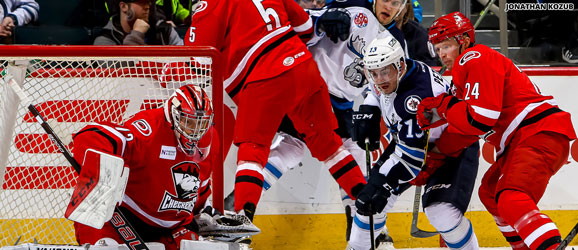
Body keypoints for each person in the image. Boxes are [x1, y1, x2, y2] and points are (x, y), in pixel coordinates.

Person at [185, 0, 367, 228]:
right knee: (329, 144)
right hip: (304, 68)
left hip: (263, 78)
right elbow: (306, 29)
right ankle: (363, 199)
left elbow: (197, 56)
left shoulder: (212, 5)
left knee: (253, 147)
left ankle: (242, 215)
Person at [419, 12, 577, 250]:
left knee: (511, 196)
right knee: (491, 192)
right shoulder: (468, 73)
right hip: (527, 138)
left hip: (537, 133)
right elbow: (466, 130)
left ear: (463, 41)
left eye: (446, 46)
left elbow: (480, 120)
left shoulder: (474, 57)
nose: (442, 54)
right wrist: (436, 154)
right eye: (437, 48)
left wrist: (444, 105)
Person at [346, 35, 480, 250]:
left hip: (451, 149)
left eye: (385, 72)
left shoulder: (417, 97)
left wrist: (380, 182)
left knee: (441, 212)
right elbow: (374, 87)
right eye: (374, 73)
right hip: (411, 143)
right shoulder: (390, 68)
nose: (379, 79)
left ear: (399, 65)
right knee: (370, 204)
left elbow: (411, 160)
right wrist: (369, 108)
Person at [65, 85, 230, 250]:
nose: (195, 131)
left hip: (172, 229)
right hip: (125, 219)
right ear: (174, 115)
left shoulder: (211, 138)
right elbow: (91, 136)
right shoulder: (149, 128)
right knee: (106, 246)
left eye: (201, 123)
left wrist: (204, 212)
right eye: (189, 122)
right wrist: (102, 176)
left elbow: (199, 184)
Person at [94, 0, 183, 45]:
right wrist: (137, 34)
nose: (147, 7)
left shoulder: (164, 31)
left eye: (148, 2)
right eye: (141, 2)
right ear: (124, 6)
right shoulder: (106, 39)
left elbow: (185, 63)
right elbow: (120, 73)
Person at [394, 1, 438, 66]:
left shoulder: (420, 35)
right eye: (385, 1)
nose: (390, 8)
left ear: (406, 7)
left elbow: (429, 67)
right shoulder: (374, 31)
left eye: (395, 3)